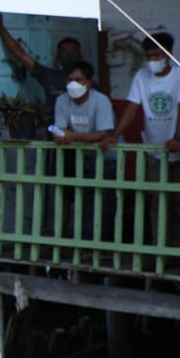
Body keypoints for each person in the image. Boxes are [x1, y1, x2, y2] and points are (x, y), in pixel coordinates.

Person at [110, 33, 180, 249]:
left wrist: (178, 138)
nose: (152, 60)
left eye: (157, 55)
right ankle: (160, 248)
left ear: (168, 55)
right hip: (154, 149)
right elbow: (131, 108)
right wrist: (115, 133)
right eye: (149, 56)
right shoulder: (141, 76)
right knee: (157, 202)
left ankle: (179, 248)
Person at [51, 61, 116, 245]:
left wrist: (73, 136)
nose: (73, 84)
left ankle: (103, 247)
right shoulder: (62, 100)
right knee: (85, 204)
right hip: (83, 158)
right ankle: (86, 246)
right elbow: (61, 130)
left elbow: (104, 132)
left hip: (107, 159)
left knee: (105, 205)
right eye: (69, 80)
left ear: (88, 82)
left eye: (78, 80)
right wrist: (61, 137)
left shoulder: (100, 100)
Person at [0, 10, 83, 110]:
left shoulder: (90, 83)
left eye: (73, 51)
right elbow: (21, 54)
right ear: (58, 56)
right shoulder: (49, 76)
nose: (69, 54)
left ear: (80, 55)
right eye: (65, 51)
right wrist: (0, 27)